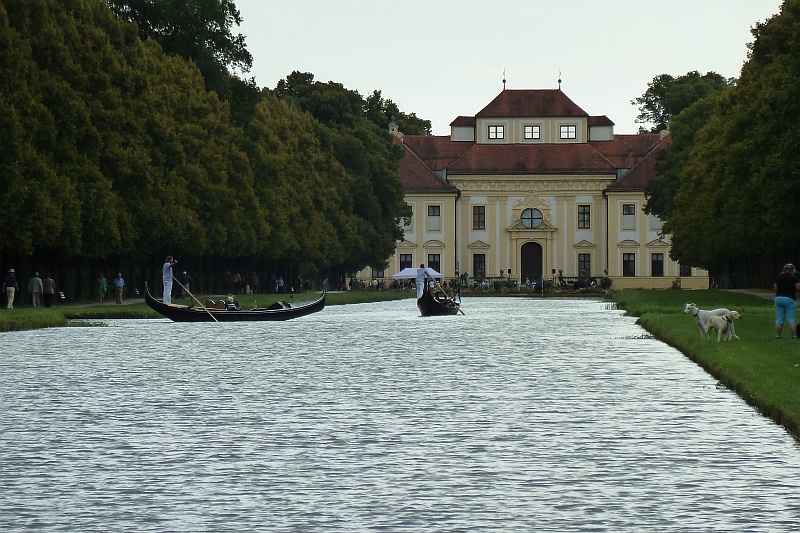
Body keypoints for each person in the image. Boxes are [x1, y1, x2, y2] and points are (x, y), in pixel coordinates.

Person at [774, 263, 800, 339]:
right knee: (791, 318)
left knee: (779, 319)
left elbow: (775, 289)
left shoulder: (778, 278)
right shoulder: (793, 278)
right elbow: (798, 288)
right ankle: (795, 336)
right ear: (792, 270)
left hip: (778, 298)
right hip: (789, 298)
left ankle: (778, 335)